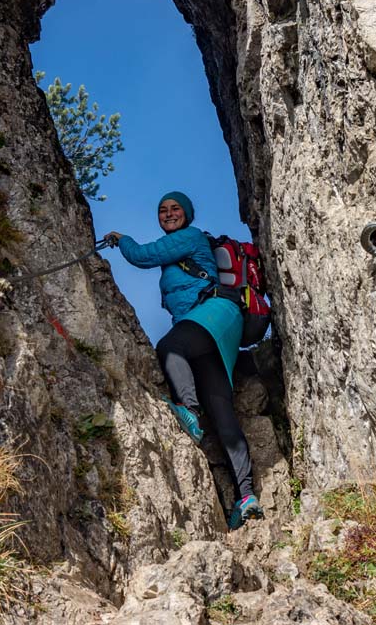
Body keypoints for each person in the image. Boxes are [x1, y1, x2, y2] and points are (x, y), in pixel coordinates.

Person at [104, 191, 263, 530]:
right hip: (211, 331)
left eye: (175, 208)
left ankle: (187, 411)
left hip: (215, 314)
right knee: (223, 416)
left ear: (187, 214)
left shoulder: (188, 238)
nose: (169, 213)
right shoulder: (184, 246)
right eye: (162, 210)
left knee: (169, 348)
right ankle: (246, 496)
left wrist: (121, 239)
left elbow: (144, 256)